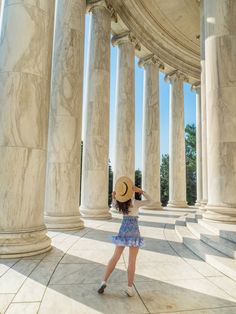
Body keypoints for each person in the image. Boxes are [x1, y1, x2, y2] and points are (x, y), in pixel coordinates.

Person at [97, 176, 152, 297]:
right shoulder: (135, 203)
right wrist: (141, 191)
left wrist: (113, 196)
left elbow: (113, 203)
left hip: (123, 230)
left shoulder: (119, 203)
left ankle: (103, 281)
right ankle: (129, 288)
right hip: (134, 232)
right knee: (132, 261)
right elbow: (150, 201)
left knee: (115, 257)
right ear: (131, 190)